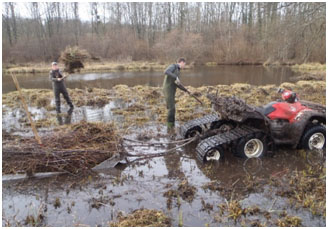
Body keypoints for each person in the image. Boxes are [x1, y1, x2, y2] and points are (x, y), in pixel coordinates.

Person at [163, 57, 186, 132]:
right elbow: (166, 71)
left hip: (172, 90)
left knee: (172, 108)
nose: (184, 66)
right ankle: (170, 126)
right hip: (168, 89)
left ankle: (172, 125)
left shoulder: (178, 71)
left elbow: (177, 84)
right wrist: (176, 77)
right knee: (171, 108)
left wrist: (185, 90)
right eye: (184, 64)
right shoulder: (173, 66)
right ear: (181, 62)